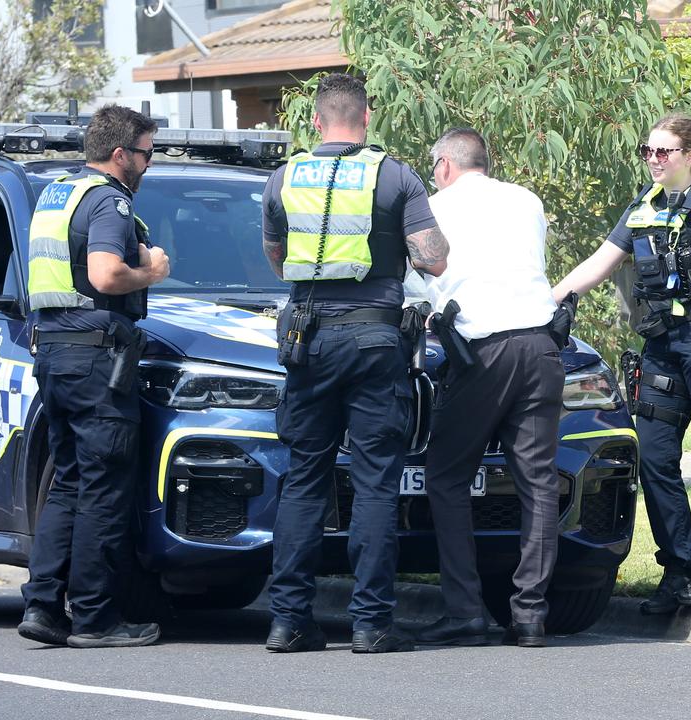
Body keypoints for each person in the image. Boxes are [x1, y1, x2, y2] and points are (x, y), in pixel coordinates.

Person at [261, 72, 449, 654]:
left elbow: (276, 259)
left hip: (306, 341)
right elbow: (435, 259)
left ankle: (288, 620)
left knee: (303, 481)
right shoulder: (393, 174)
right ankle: (371, 624)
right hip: (373, 341)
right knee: (374, 483)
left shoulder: (284, 177)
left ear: (316, 121)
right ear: (366, 118)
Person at [551, 112, 691, 614]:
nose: (654, 159)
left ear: (690, 154)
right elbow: (600, 262)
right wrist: (544, 301)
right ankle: (678, 568)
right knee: (657, 459)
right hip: (662, 346)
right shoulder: (642, 207)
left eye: (664, 151)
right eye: (648, 151)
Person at [18, 104, 171, 648]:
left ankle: (42, 606)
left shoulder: (57, 196)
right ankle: (96, 619)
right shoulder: (109, 201)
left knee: (69, 482)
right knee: (105, 488)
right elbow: (105, 275)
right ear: (119, 154)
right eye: (147, 154)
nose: (149, 164)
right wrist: (151, 270)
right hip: (97, 362)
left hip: (55, 356)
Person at [409, 128, 563, 649]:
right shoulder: (526, 200)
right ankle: (529, 615)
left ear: (446, 165)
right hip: (541, 346)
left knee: (446, 476)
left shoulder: (434, 208)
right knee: (538, 483)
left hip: (482, 351)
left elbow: (421, 279)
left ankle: (465, 611)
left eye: (434, 166)